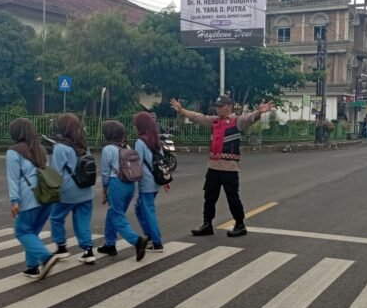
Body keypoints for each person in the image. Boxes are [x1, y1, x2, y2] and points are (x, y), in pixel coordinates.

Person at [169, 95, 273, 237]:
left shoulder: (237, 121)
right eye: (216, 106)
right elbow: (197, 117)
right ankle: (207, 224)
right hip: (213, 167)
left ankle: (240, 225)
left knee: (232, 197)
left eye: (220, 106)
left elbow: (250, 118)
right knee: (209, 197)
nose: (217, 109)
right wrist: (182, 110)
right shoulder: (214, 121)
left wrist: (259, 112)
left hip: (229, 168)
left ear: (229, 106)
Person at [6, 118, 59, 279]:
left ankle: (46, 257)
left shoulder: (13, 151)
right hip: (46, 195)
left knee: (22, 231)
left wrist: (14, 201)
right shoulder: (41, 149)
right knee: (32, 232)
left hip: (29, 197)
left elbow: (13, 178)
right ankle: (32, 267)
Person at [98, 120, 148, 261]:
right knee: (114, 212)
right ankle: (110, 243)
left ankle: (137, 241)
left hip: (116, 183)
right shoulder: (127, 146)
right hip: (130, 184)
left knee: (116, 215)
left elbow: (105, 173)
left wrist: (104, 191)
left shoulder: (108, 149)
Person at [49, 114, 96, 264]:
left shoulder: (60, 147)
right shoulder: (84, 145)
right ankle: (88, 251)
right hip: (86, 190)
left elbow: (56, 172)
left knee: (56, 218)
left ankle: (61, 247)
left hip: (67, 192)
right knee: (82, 220)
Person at [133, 112, 165, 252]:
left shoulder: (140, 142)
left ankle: (156, 242)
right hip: (156, 180)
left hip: (146, 182)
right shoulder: (156, 139)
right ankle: (150, 237)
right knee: (140, 209)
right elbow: (162, 159)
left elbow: (137, 163)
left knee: (148, 211)